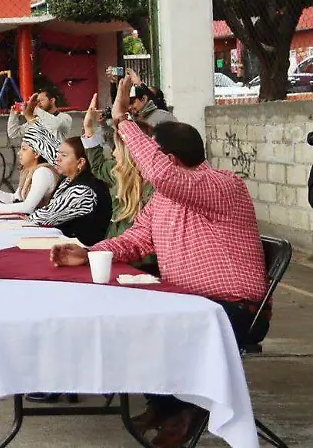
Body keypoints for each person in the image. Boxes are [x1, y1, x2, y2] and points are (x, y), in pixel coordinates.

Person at [51, 77, 270, 447]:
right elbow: (136, 240)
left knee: (154, 323)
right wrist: (89, 253)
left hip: (233, 308)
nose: (142, 161)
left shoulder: (224, 185)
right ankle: (164, 405)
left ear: (168, 159)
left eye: (150, 155)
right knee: (128, 318)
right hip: (191, 301)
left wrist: (122, 120)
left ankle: (187, 410)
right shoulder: (166, 197)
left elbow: (161, 174)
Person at [81, 94, 155, 249]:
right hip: (114, 246)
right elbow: (98, 166)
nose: (114, 153)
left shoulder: (153, 186)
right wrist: (89, 128)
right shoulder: (120, 171)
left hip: (140, 256)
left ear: (129, 151)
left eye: (117, 148)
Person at [25, 136, 112, 246]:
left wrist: (29, 217)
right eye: (58, 154)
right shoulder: (66, 180)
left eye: (64, 155)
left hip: (84, 250)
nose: (57, 159)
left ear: (80, 162)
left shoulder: (83, 190)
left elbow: (45, 217)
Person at [0, 123, 60, 214]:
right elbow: (15, 200)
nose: (19, 153)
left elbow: (27, 208)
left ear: (36, 154)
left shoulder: (43, 172)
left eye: (24, 149)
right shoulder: (28, 171)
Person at [7, 91, 72, 143]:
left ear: (52, 101)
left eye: (41, 100)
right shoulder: (37, 119)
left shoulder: (65, 117)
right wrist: (13, 115)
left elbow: (55, 125)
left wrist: (35, 109)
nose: (38, 103)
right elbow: (13, 133)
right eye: (37, 101)